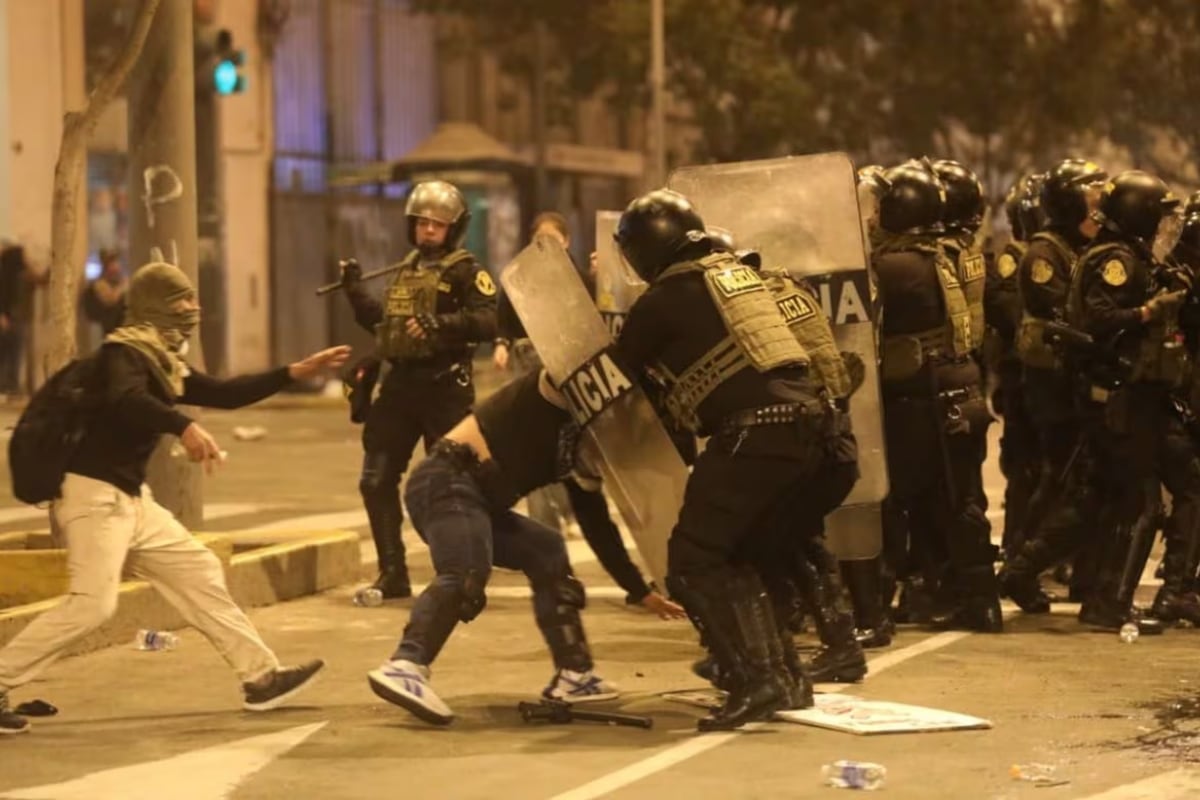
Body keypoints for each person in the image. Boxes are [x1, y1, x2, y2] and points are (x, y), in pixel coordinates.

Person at [0, 262, 348, 736]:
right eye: (183, 301)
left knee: (198, 569)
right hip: (93, 495)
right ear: (155, 305)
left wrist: (290, 372)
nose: (193, 309)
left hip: (128, 498)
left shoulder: (162, 360)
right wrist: (183, 426)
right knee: (92, 605)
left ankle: (260, 678)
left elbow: (223, 393)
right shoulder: (124, 353)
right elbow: (127, 401)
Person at [613, 190, 838, 730]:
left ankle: (754, 680)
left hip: (753, 435)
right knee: (746, 554)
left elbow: (617, 375)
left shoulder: (664, 297)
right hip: (812, 431)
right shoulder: (733, 277)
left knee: (693, 561)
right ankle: (787, 678)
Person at [366, 368, 619, 726]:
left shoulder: (575, 455)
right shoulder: (550, 394)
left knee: (545, 547)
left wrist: (640, 591)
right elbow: (555, 367)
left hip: (478, 500)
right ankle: (405, 665)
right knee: (466, 572)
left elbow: (599, 525)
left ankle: (575, 676)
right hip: (446, 481)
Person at [340, 180, 497, 600]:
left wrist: (443, 326)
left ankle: (461, 575)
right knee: (375, 479)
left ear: (454, 228)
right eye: (422, 222)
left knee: (448, 486)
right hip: (401, 386)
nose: (428, 230)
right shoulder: (406, 269)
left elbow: (488, 321)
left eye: (438, 224)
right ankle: (393, 573)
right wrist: (355, 292)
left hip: (445, 387)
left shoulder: (469, 270)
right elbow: (383, 324)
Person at [872, 160, 1001, 633]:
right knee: (959, 499)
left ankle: (882, 602)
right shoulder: (947, 253)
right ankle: (974, 600)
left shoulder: (892, 267)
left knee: (899, 500)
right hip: (959, 385)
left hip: (921, 399)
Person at [1069, 170, 1190, 629]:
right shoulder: (1116, 259)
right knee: (1140, 503)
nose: (1162, 228)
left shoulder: (1126, 254)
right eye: (1156, 218)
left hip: (1124, 393)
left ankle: (1102, 597)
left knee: (1117, 499)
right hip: (1119, 395)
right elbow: (1101, 318)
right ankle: (1111, 602)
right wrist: (1146, 312)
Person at [999, 159, 1108, 612]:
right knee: (1059, 479)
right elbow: (1065, 315)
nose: (1099, 204)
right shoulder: (1044, 254)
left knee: (1075, 480)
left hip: (1074, 382)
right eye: (1091, 195)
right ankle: (1021, 566)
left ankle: (1077, 574)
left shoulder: (1080, 246)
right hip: (1053, 387)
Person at [83, 248, 128, 336]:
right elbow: (111, 300)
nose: (116, 266)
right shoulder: (100, 284)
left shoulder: (118, 281)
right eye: (112, 263)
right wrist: (122, 287)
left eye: (116, 262)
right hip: (111, 327)